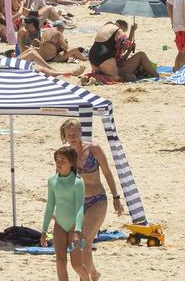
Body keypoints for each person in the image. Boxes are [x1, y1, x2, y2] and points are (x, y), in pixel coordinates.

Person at [60, 119, 121, 281]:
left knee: (84, 243)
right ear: (65, 136)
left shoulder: (94, 149)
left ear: (81, 132)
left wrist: (116, 197)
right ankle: (93, 274)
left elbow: (107, 173)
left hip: (97, 200)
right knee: (78, 249)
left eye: (75, 133)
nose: (72, 136)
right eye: (68, 134)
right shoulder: (64, 155)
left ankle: (89, 277)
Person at [39, 146, 89, 281]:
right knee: (60, 262)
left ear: (71, 163)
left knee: (76, 264)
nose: (59, 163)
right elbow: (50, 206)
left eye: (63, 160)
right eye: (57, 160)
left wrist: (78, 230)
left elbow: (80, 208)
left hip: (74, 226)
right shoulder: (52, 181)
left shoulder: (78, 182)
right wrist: (44, 230)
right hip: (59, 225)